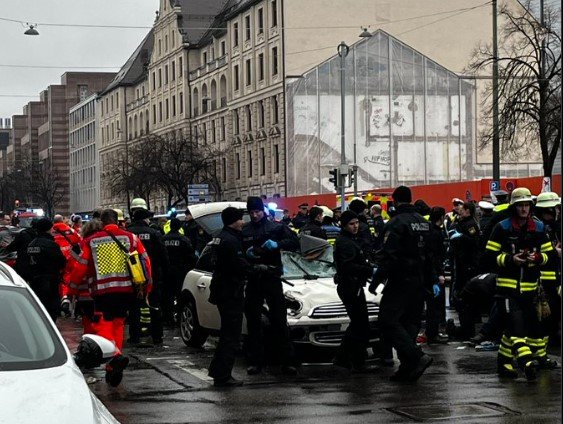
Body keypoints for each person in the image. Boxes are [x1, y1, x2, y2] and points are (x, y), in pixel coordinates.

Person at [70, 209, 152, 387]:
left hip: (102, 291)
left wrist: (73, 289)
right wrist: (147, 288)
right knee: (119, 324)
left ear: (102, 222)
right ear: (118, 220)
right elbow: (146, 262)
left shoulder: (91, 241)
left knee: (104, 324)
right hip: (126, 290)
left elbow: (81, 268)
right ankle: (113, 365)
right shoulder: (131, 238)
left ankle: (114, 356)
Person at [484, 187, 556, 380]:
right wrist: (510, 259)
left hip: (531, 290)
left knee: (514, 329)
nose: (524, 209)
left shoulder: (539, 229)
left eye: (527, 205)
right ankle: (527, 363)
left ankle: (504, 363)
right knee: (517, 328)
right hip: (507, 290)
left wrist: (539, 257)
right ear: (514, 207)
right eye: (520, 205)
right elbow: (489, 257)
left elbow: (551, 256)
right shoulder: (502, 228)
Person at [370, 186, 436, 382]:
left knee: (387, 321)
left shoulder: (396, 223)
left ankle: (416, 357)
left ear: (395, 201)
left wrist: (376, 281)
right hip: (420, 281)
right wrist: (431, 280)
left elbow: (388, 257)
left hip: (400, 279)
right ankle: (407, 368)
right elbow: (431, 254)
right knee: (410, 323)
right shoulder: (423, 223)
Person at [242, 196, 299, 375]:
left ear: (263, 211)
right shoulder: (245, 230)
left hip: (272, 277)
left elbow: (295, 242)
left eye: (257, 211)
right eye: (251, 212)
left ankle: (287, 361)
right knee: (253, 322)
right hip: (253, 278)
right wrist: (247, 255)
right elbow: (239, 252)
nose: (255, 215)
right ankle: (256, 361)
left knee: (279, 320)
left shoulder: (275, 227)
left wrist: (277, 244)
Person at [208, 207, 254, 387]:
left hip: (221, 289)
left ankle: (218, 371)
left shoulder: (219, 236)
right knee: (231, 335)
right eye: (241, 219)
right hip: (229, 291)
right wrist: (256, 269)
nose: (243, 222)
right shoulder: (230, 240)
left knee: (227, 333)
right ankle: (222, 375)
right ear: (234, 220)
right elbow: (238, 265)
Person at [332, 210, 379, 373]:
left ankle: (353, 358)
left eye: (356, 223)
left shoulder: (351, 240)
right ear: (344, 225)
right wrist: (369, 270)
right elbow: (347, 266)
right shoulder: (345, 242)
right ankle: (345, 357)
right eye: (351, 224)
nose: (355, 226)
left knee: (360, 324)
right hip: (350, 286)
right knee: (359, 324)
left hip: (354, 286)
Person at [128, 206, 170, 345]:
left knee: (134, 306)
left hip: (133, 275)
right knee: (154, 304)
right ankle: (157, 336)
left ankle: (134, 336)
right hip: (152, 274)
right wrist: (165, 271)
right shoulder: (154, 233)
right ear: (144, 219)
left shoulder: (128, 233)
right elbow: (163, 254)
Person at [533, 192, 561, 354]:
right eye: (554, 209)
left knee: (552, 314)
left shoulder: (551, 227)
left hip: (553, 279)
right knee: (543, 315)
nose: (557, 212)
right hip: (540, 279)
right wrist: (554, 253)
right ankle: (541, 350)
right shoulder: (537, 228)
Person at [448, 202, 481, 339]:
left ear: (468, 210)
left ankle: (467, 330)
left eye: (461, 210)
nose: (459, 212)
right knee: (462, 298)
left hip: (468, 266)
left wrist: (461, 237)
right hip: (462, 264)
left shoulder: (471, 224)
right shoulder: (461, 222)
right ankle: (465, 328)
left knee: (465, 298)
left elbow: (474, 242)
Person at [27, 218, 67, 322]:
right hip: (50, 282)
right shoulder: (51, 244)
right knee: (51, 312)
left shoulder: (31, 244)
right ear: (48, 229)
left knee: (38, 310)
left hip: (35, 282)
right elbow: (61, 262)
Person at [162, 217, 197, 325]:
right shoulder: (184, 239)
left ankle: (168, 318)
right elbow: (191, 257)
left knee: (168, 296)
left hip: (166, 271)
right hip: (180, 271)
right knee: (179, 295)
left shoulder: (163, 239)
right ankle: (179, 318)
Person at [425, 207, 448, 343]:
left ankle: (432, 332)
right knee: (435, 305)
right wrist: (438, 274)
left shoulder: (429, 230)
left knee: (432, 305)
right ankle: (432, 334)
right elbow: (434, 256)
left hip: (431, 272)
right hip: (434, 273)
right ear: (441, 217)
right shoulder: (436, 233)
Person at [52, 214, 82, 317]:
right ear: (62, 221)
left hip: (55, 257)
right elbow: (79, 240)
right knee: (67, 277)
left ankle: (61, 299)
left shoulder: (50, 230)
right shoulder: (69, 230)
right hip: (69, 256)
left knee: (57, 279)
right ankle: (66, 297)